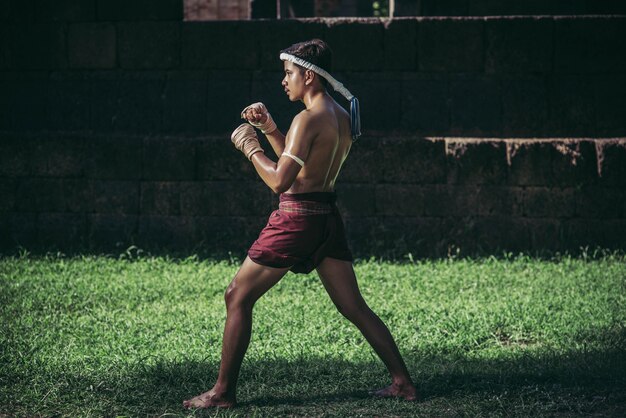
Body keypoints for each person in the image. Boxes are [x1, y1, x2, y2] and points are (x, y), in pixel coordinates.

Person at [183, 39, 417, 409]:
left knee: (237, 295)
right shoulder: (339, 114)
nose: (284, 81)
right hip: (325, 219)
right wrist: (271, 127)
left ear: (308, 75)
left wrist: (250, 147)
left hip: (295, 220)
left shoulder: (307, 119)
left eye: (288, 73)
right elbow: (305, 167)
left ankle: (222, 393)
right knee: (354, 306)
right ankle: (403, 383)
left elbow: (281, 181)